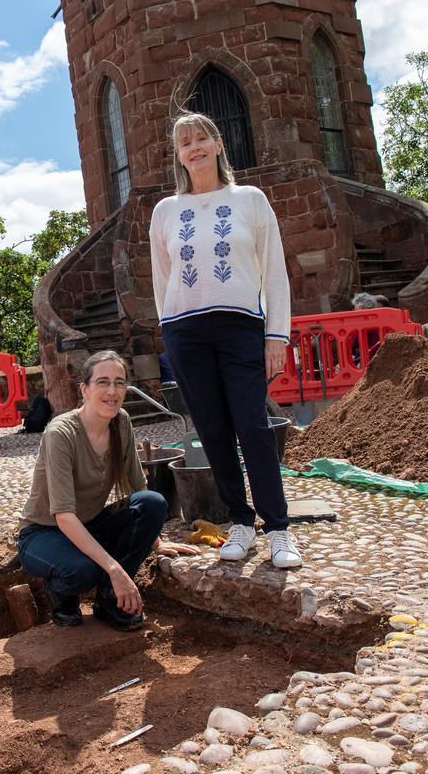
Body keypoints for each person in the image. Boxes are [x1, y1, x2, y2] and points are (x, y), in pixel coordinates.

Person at [149, 112, 303, 569]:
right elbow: (162, 278)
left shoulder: (249, 200)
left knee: (252, 425)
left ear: (217, 144)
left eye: (201, 138)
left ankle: (277, 529)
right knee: (212, 430)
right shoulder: (165, 212)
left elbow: (274, 270)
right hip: (186, 330)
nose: (193, 147)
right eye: (184, 142)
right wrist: (168, 329)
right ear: (178, 155)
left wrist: (276, 334)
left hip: (240, 324)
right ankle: (240, 522)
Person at [17, 350, 198, 631]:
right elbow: (64, 516)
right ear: (85, 389)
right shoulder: (60, 433)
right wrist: (115, 569)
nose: (112, 391)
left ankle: (110, 599)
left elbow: (139, 486)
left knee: (153, 503)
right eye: (103, 382)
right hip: (44, 532)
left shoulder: (120, 421)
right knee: (82, 571)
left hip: (88, 524)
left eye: (119, 382)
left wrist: (157, 542)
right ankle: (61, 592)